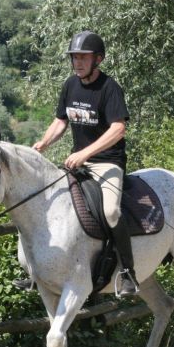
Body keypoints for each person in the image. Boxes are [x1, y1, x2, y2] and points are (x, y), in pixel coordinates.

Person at [19, 30, 139, 296]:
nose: (77, 63)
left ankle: (128, 272)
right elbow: (61, 120)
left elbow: (119, 129)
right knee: (46, 204)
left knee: (110, 212)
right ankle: (33, 271)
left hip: (107, 163)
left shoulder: (110, 88)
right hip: (77, 164)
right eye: (74, 57)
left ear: (98, 59)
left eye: (83, 57)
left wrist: (86, 154)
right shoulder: (70, 85)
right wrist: (44, 143)